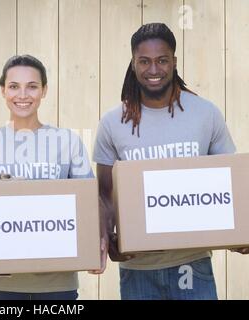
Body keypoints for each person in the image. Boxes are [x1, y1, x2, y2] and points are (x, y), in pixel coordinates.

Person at [93, 23, 236, 300]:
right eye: (144, 61)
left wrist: (241, 233)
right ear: (133, 64)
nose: (154, 70)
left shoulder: (205, 114)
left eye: (162, 60)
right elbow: (105, 195)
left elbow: (230, 182)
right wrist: (109, 239)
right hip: (137, 266)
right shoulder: (113, 122)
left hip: (192, 262)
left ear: (174, 62)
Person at [0, 54, 97, 300]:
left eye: (32, 86)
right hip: (1, 283)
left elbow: (88, 205)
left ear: (44, 91)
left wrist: (95, 248)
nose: (23, 95)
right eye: (14, 86)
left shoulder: (67, 141)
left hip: (57, 283)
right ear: (3, 90)